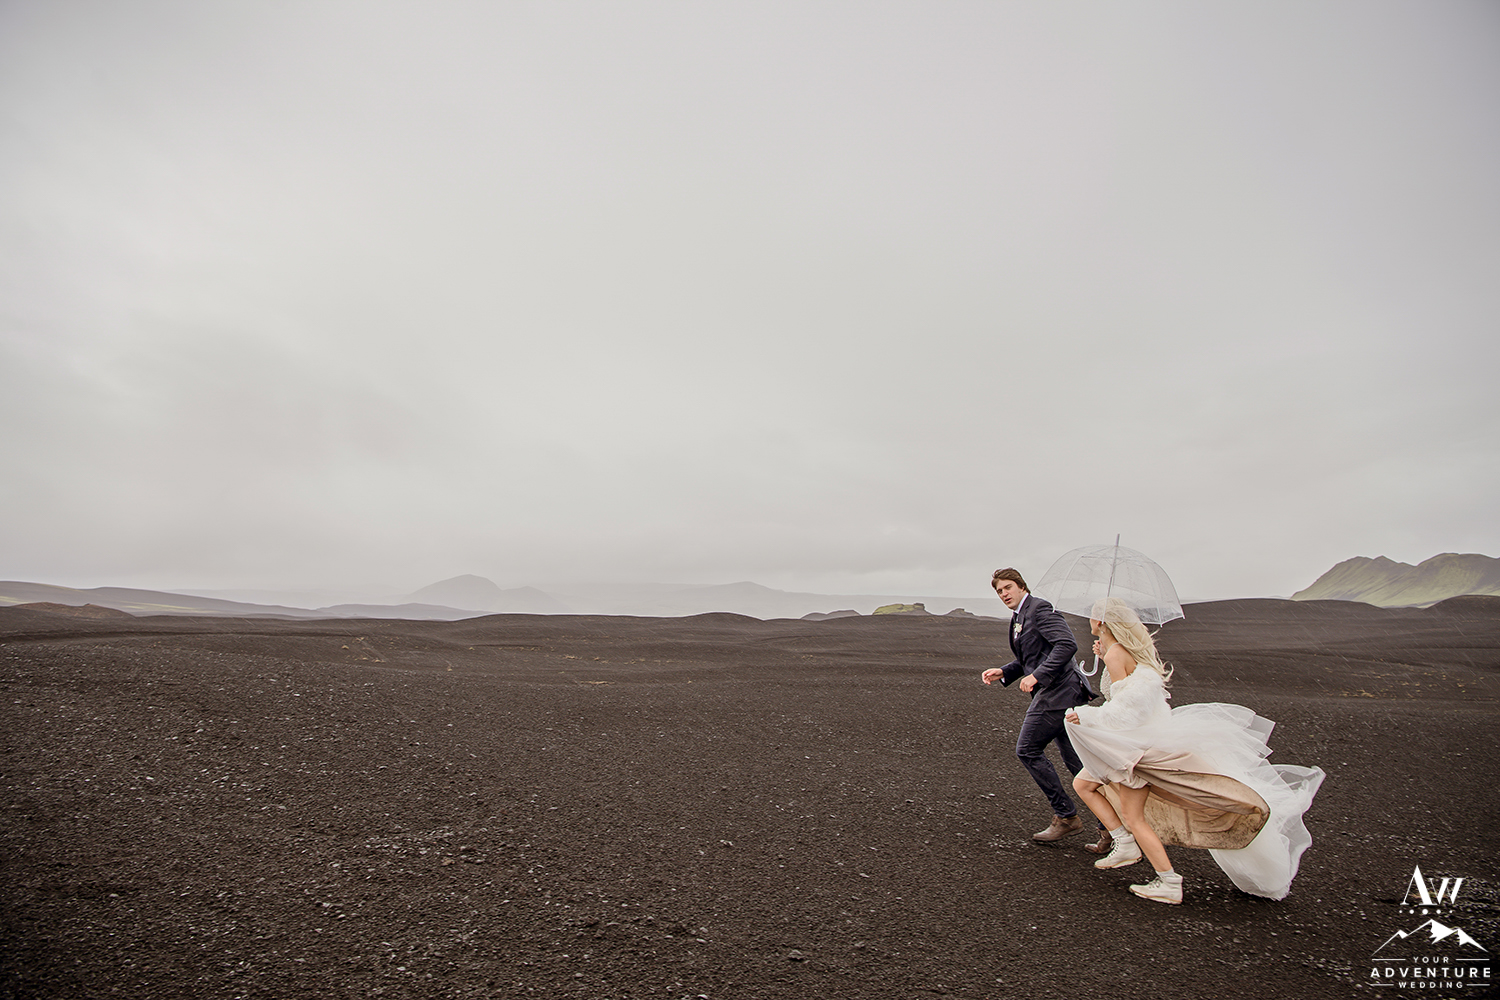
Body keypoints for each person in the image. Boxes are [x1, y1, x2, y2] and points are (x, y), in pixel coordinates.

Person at [1065, 597, 1325, 904]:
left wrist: (1085, 715)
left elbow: (1123, 711)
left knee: (1134, 818)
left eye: (1092, 617)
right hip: (1141, 738)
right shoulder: (1120, 651)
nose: (1088, 621)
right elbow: (1120, 692)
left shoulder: (1118, 652)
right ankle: (1123, 843)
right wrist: (1106, 655)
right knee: (1083, 784)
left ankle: (1167, 880)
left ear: (1100, 623)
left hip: (1134, 748)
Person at [980, 568, 1098, 842]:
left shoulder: (1040, 608)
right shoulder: (1021, 615)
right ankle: (1112, 826)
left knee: (1028, 749)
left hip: (1058, 693)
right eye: (999, 591)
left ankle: (1066, 816)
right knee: (1078, 764)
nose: (1004, 594)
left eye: (1008, 587)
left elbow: (1066, 645)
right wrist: (1005, 671)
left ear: (1022, 586)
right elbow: (1033, 655)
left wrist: (1038, 676)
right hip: (1057, 694)